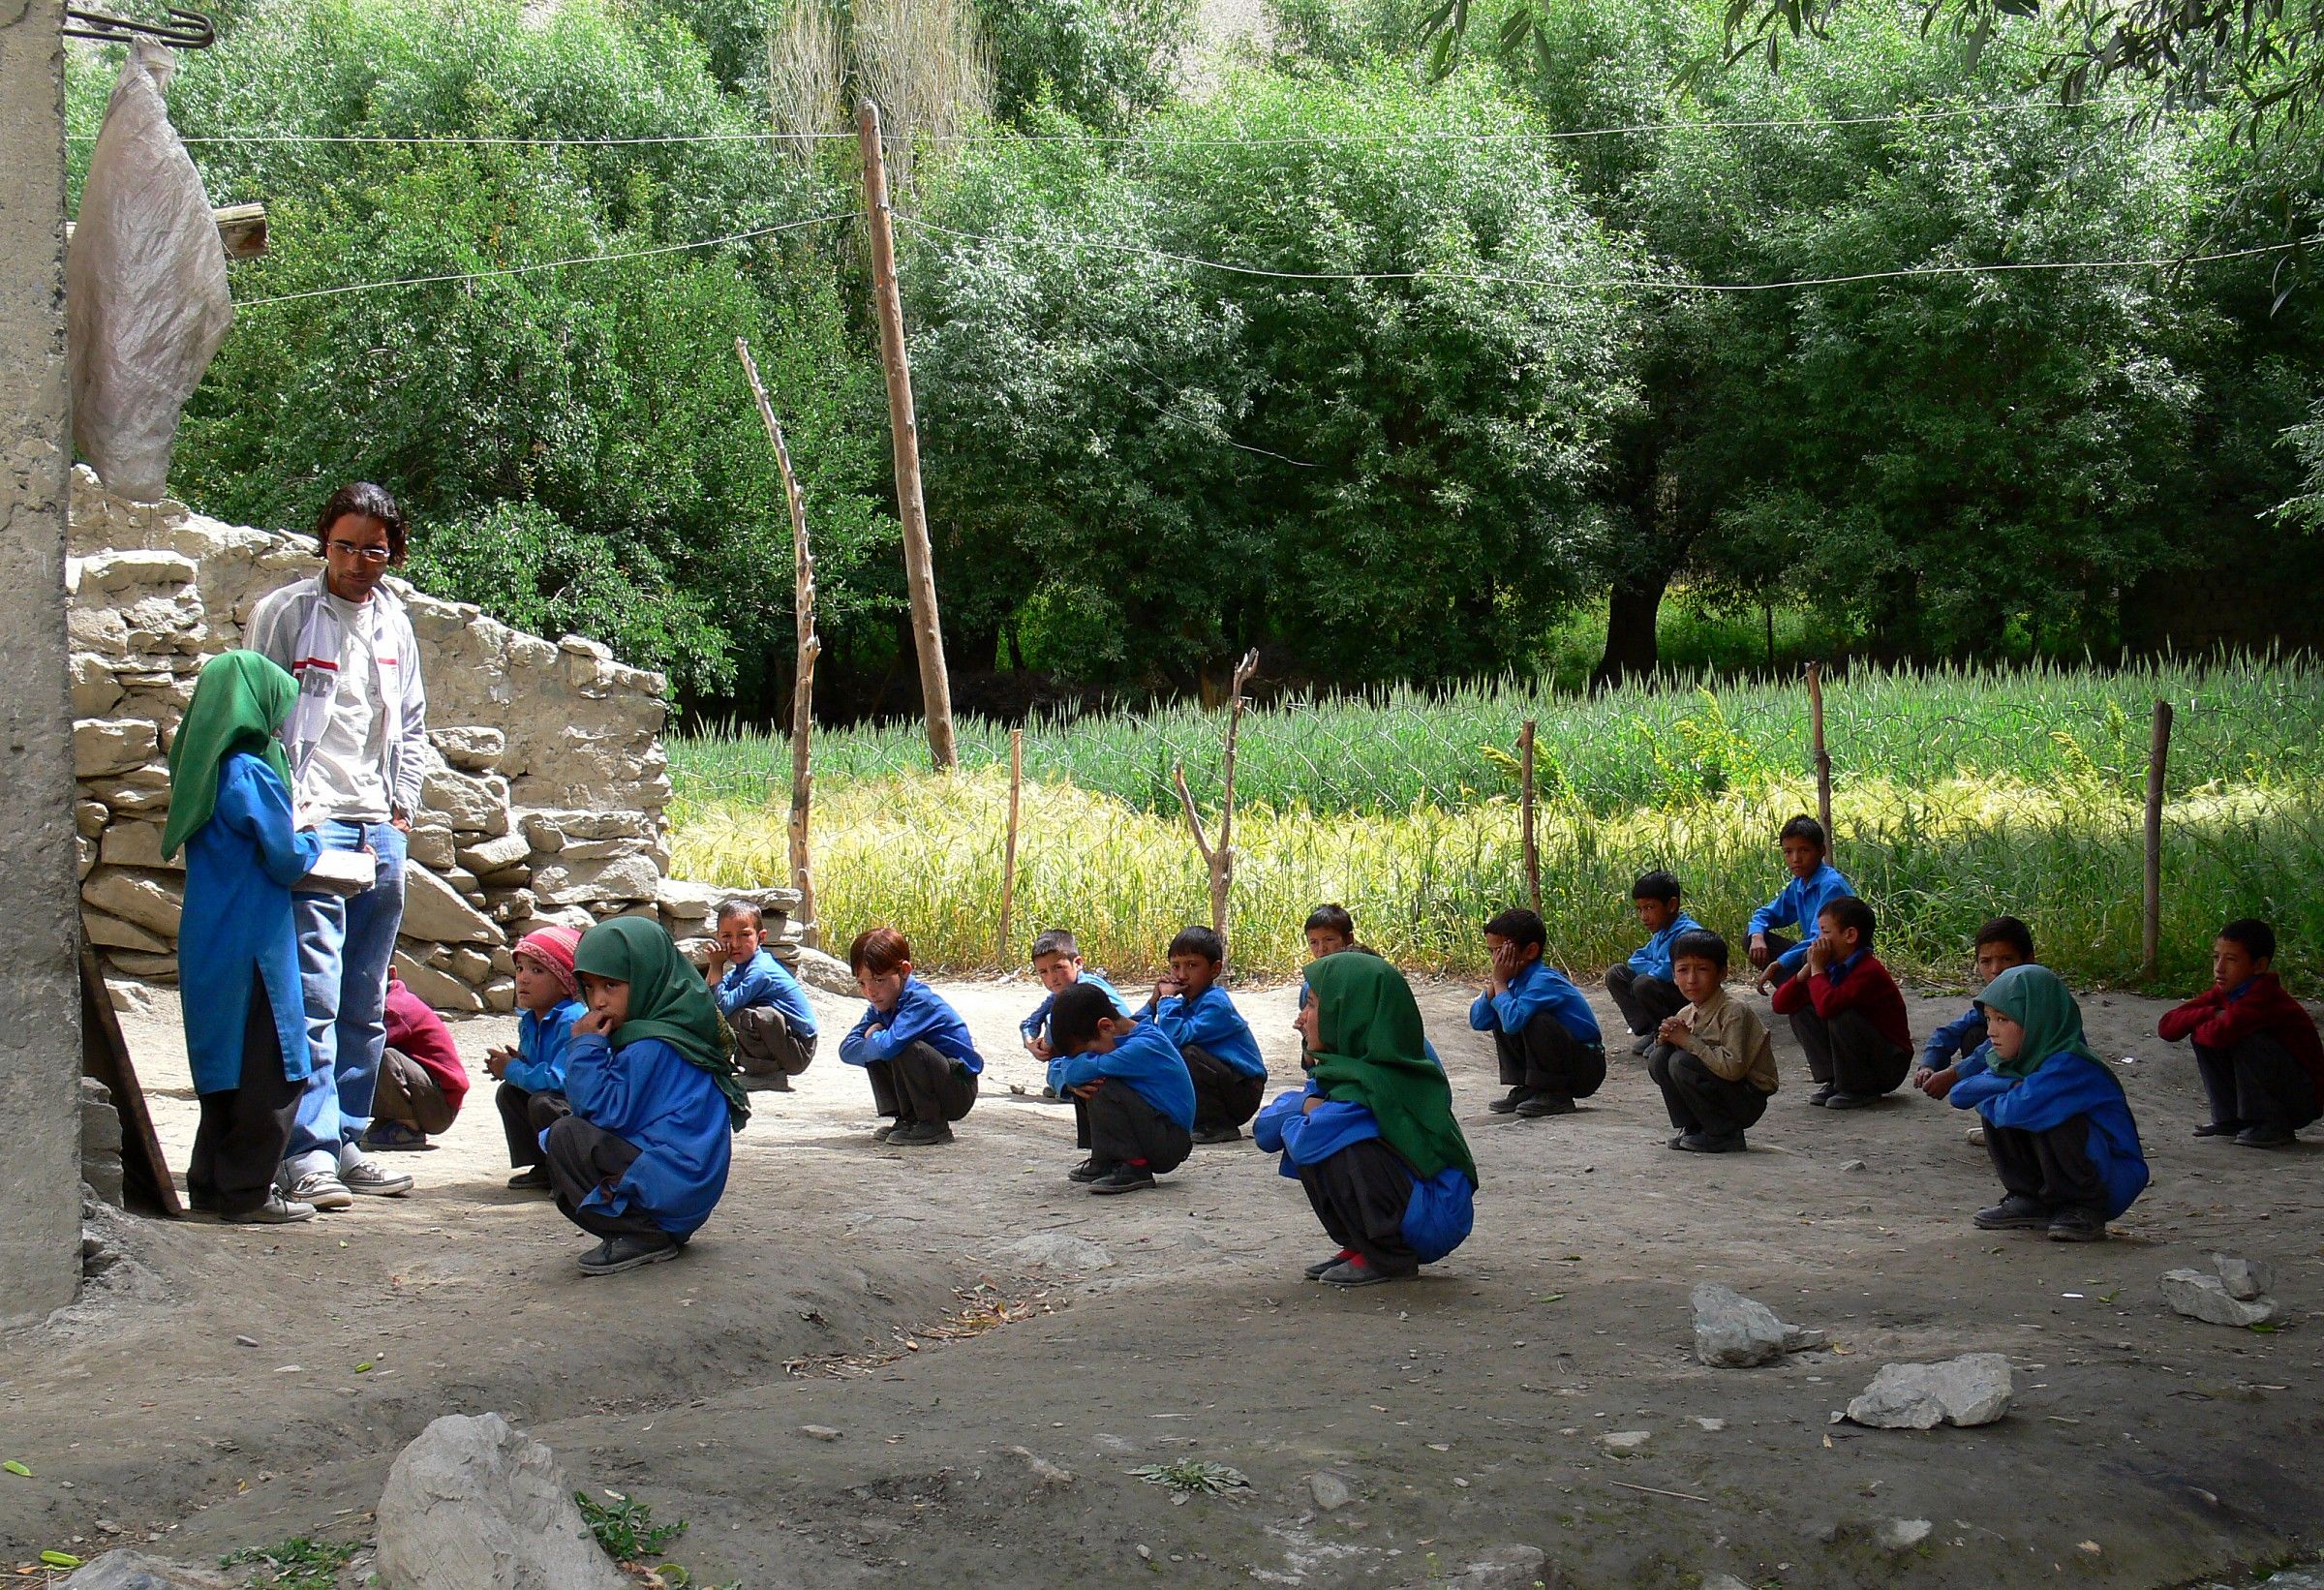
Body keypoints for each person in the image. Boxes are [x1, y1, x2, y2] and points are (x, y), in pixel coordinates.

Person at [247, 482, 428, 1209]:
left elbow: (410, 723)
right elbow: (259, 715)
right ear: (324, 543)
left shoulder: (395, 624)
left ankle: (349, 1139)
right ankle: (307, 1152)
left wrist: (402, 810)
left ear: (393, 554)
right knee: (314, 992)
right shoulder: (287, 613)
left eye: (373, 550)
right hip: (314, 822)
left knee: (364, 996)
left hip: (377, 824)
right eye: (344, 546)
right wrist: (285, 813)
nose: (357, 562)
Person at [165, 651, 325, 1224]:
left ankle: (211, 1185)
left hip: (208, 934)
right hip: (255, 939)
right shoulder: (249, 774)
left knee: (221, 1065)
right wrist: (311, 835)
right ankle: (247, 1193)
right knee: (273, 1066)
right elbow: (285, 858)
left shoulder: (198, 767)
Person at [1253, 954, 1478, 1287]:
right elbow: (1264, 1132)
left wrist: (1304, 1111)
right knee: (1323, 1134)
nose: (1300, 1019)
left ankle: (1387, 1256)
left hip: (1432, 1215)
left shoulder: (1379, 1081)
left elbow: (1302, 1140)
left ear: (1348, 1014)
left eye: (1311, 1005)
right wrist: (1307, 1106)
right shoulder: (1346, 1068)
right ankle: (1363, 1244)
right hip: (1416, 1204)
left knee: (1331, 1144)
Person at [542, 918, 749, 1275]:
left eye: (611, 985)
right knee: (557, 1124)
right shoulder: (673, 1027)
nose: (598, 1000)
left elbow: (599, 1111)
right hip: (681, 1189)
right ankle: (646, 1231)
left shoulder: (652, 1045)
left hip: (673, 1188)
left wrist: (584, 1045)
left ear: (647, 978)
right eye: (589, 987)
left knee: (567, 1136)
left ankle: (641, 1235)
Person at [1949, 963, 2148, 1242]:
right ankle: (2030, 1199)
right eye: (1989, 1019)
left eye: (2003, 1020)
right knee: (2014, 1107)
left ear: (2037, 1020)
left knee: (2046, 1113)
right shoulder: (2017, 1062)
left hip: (2110, 1180)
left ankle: (2083, 1207)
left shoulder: (2070, 1064)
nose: (1991, 1031)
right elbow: (1959, 1094)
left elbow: (2015, 1108)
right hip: (2078, 1162)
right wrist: (2009, 1086)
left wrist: (1994, 1096)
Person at [2157, 918, 2324, 1148]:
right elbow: (2167, 1027)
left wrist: (2206, 1021)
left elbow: (2221, 1034)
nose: (2219, 968)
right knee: (2203, 1033)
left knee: (2242, 1037)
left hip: (2301, 1099)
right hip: (2284, 1088)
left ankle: (2269, 1123)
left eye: (2231, 960)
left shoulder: (2263, 996)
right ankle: (2230, 1119)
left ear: (2259, 966)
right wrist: (2211, 1013)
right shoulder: (2225, 992)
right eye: (2216, 957)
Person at [1046, 982, 1196, 1196]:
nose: (1088, 1057)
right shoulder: (1120, 1036)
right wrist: (1073, 1078)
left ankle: (1135, 1167)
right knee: (1086, 1082)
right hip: (1154, 1129)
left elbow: (1073, 1071)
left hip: (1170, 1142)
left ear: (1106, 1026)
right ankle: (1105, 1159)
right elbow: (1069, 1068)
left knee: (1103, 1086)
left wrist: (1072, 1076)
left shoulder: (1143, 1046)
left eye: (1088, 1051)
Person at [839, 928, 984, 1146]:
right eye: (862, 983)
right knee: (878, 1049)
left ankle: (932, 1123)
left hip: (957, 1090)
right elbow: (847, 1050)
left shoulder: (920, 1002)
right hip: (936, 1084)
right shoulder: (880, 1007)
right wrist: (876, 1042)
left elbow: (887, 1046)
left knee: (904, 1047)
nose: (870, 991)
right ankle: (907, 1119)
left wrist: (875, 1035)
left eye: (879, 980)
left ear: (904, 970)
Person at [1769, 897, 1912, 1108]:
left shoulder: (1868, 971)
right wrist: (1805, 972)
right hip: (1866, 1057)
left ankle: (1858, 1088)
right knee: (1800, 1011)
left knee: (1840, 1014)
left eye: (1825, 932)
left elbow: (1828, 1006)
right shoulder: (1831, 966)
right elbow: (1781, 1005)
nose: (1819, 941)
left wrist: (1817, 970)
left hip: (1889, 1064)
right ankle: (1836, 1081)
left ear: (1850, 935)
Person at [1647, 930, 1777, 1153]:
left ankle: (1725, 1133)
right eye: (1683, 970)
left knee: (1681, 1062)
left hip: (1746, 1098)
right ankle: (1694, 1128)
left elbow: (1732, 1069)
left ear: (1722, 973)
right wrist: (1666, 1039)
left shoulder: (1734, 1011)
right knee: (1660, 1057)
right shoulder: (1686, 1012)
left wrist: (1687, 1040)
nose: (1691, 979)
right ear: (1674, 976)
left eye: (1702, 969)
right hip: (1724, 1090)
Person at [1468, 907, 1605, 1118]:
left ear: (1530, 951)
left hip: (1585, 1068)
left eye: (1501, 951)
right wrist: (1495, 986)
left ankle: (1555, 1093)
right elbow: (1479, 1021)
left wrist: (1499, 982)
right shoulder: (1512, 980)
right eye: (1491, 952)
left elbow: (1513, 1022)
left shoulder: (1544, 980)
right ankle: (1530, 1087)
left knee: (1533, 1019)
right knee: (1502, 1011)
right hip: (1570, 1063)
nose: (1495, 960)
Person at [1137, 925, 1268, 1144]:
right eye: (1175, 966)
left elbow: (1174, 1038)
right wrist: (1153, 1002)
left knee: (1187, 1053)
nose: (1181, 975)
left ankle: (1217, 1124)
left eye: (1192, 965)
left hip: (1242, 1090)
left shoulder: (1216, 1004)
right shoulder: (1184, 1004)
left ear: (1215, 969)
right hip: (1223, 1083)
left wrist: (1166, 1001)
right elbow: (1136, 1032)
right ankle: (1193, 1120)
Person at [488, 925, 585, 1191]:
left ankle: (568, 1172)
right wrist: (514, 1063)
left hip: (580, 1109)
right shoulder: (530, 1020)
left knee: (543, 1102)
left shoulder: (573, 1021)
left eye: (537, 971)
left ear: (565, 983)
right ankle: (543, 1167)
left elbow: (559, 1080)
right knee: (509, 1093)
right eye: (520, 969)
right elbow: (535, 1067)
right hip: (555, 1097)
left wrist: (512, 1069)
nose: (523, 978)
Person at [1913, 916, 2035, 1106]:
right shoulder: (1995, 998)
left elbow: (1994, 1048)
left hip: (2043, 1076)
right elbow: (1951, 1031)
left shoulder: (2038, 993)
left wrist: (1955, 1074)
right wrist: (1929, 1065)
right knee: (1973, 1034)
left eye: (2006, 959)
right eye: (1986, 961)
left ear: (2028, 959)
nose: (1995, 970)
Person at [706, 899, 818, 1088]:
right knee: (733, 1012)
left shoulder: (760, 971)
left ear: (761, 937)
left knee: (747, 1015)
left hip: (799, 1049)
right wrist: (713, 965)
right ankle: (754, 1067)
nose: (735, 943)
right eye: (727, 936)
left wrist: (717, 966)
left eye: (744, 935)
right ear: (718, 937)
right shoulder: (741, 969)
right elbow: (709, 1002)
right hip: (785, 1043)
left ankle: (767, 1074)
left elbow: (722, 1007)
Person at [1746, 815, 1854, 991]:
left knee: (1810, 954)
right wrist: (1757, 937)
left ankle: (1803, 994)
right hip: (1817, 949)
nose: (1795, 858)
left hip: (1839, 956)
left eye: (1804, 850)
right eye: (1788, 852)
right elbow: (1767, 914)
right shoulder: (1800, 883)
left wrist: (1778, 963)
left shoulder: (1830, 886)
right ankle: (1798, 992)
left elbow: (1821, 938)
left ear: (1822, 851)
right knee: (1751, 936)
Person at [362, 971, 469, 1150]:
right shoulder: (382, 1002)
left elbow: (360, 1049)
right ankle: (392, 1120)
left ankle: (409, 1127)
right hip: (429, 1096)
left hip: (440, 1108)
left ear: (391, 973)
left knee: (380, 1055)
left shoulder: (393, 1008)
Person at [1605, 871, 1704, 1055]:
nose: (1643, 916)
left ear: (1671, 905)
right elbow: (1635, 959)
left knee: (1643, 983)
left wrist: (1653, 971)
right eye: (1640, 909)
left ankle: (1671, 1035)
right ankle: (1654, 1030)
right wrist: (1655, 968)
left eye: (1650, 908)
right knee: (1616, 974)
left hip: (1687, 998)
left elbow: (1667, 971)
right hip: (1666, 990)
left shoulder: (1687, 934)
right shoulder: (1661, 933)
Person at [1020, 929, 1132, 1066]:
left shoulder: (1086, 990)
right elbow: (1030, 1022)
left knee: (1059, 1065)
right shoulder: (1063, 991)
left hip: (1121, 1053)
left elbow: (1053, 1028)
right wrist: (1030, 1043)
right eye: (1043, 972)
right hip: (1104, 1053)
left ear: (1078, 963)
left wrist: (1045, 1046)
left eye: (1058, 967)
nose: (1052, 978)